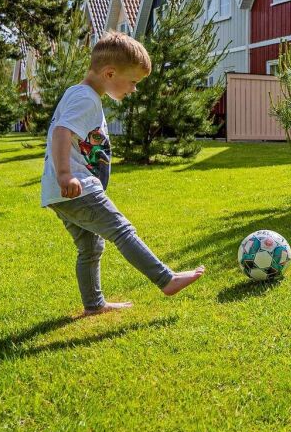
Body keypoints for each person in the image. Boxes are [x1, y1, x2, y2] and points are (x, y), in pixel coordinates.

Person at [41, 31, 205, 314]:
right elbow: (61, 131)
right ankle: (166, 279)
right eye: (133, 82)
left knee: (91, 248)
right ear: (109, 73)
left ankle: (94, 305)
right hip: (76, 187)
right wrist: (66, 174)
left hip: (62, 193)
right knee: (122, 230)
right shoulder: (87, 99)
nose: (134, 89)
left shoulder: (78, 93)